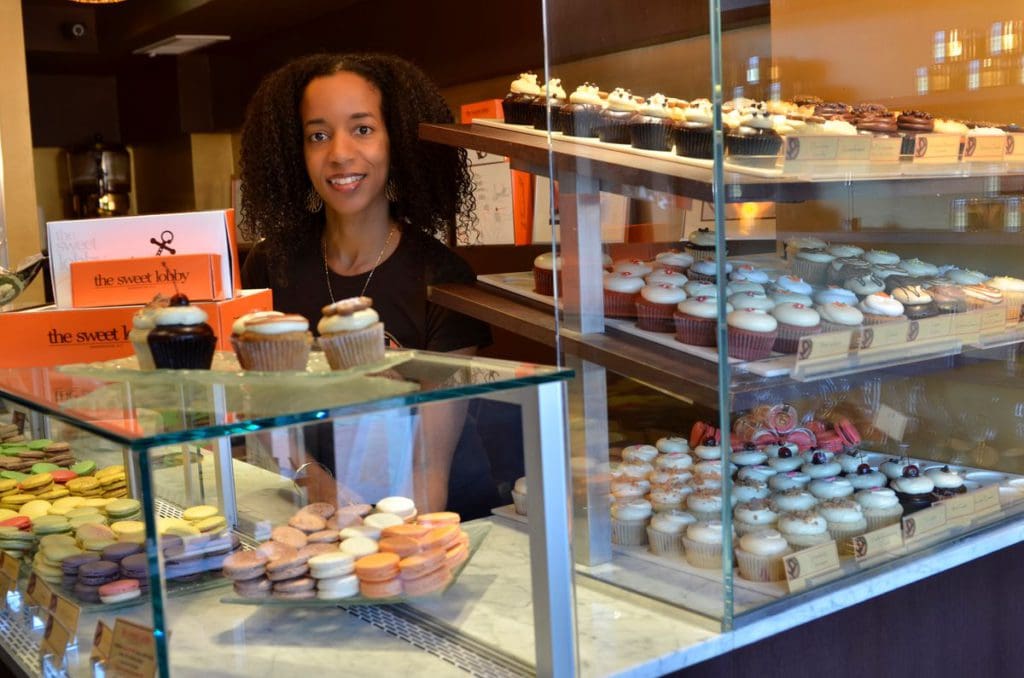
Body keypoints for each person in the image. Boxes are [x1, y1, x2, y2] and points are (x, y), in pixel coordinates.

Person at [238, 53, 497, 515]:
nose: (339, 153)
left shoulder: (443, 278)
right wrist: (324, 494)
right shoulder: (271, 265)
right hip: (320, 509)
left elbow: (429, 463)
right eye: (318, 135)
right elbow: (264, 409)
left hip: (442, 521)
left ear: (396, 140)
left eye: (362, 129)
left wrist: (404, 559)